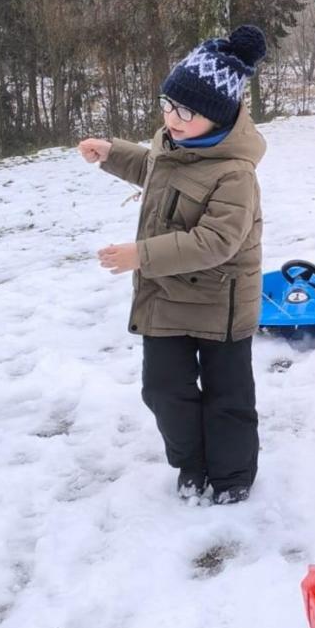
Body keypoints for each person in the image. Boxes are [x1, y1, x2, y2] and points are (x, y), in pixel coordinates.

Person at [77, 25, 268, 504]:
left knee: (228, 399)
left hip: (219, 300)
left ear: (219, 115)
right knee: (163, 390)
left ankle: (232, 477)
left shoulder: (235, 172)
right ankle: (192, 464)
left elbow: (218, 239)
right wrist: (112, 153)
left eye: (186, 111)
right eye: (167, 105)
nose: (172, 118)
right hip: (166, 299)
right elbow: (153, 170)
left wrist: (140, 255)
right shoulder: (173, 144)